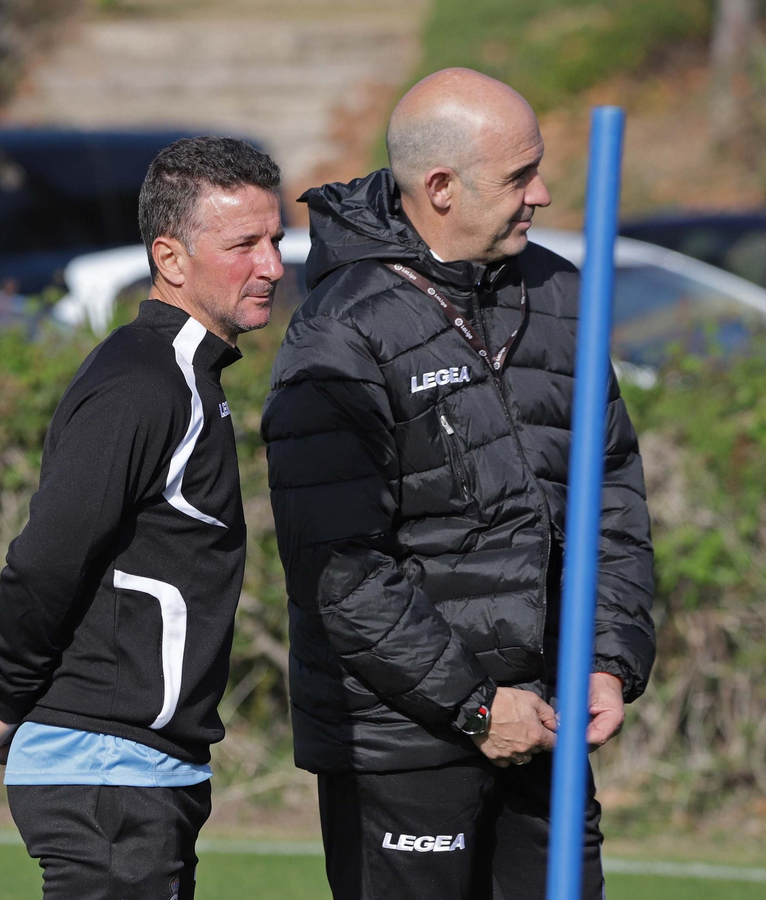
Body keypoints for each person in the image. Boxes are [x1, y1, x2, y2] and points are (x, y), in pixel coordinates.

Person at [260, 68, 657, 899]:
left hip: (546, 725)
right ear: (439, 187)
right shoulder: (341, 330)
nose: (542, 194)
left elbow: (611, 497)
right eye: (519, 177)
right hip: (406, 742)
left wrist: (608, 660)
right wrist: (477, 707)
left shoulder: (562, 296)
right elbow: (339, 569)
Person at [0, 136, 284, 899]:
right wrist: (12, 689)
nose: (271, 266)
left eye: (275, 240)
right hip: (108, 767)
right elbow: (47, 557)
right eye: (244, 244)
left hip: (137, 767)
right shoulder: (144, 385)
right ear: (170, 258)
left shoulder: (189, 378)